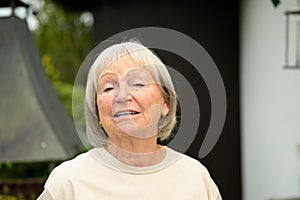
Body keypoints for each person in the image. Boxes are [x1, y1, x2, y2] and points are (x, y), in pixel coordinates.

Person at [37, 40, 222, 200]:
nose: (122, 96)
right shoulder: (68, 181)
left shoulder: (195, 177)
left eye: (138, 83)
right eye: (108, 88)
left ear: (166, 102)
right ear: (97, 111)